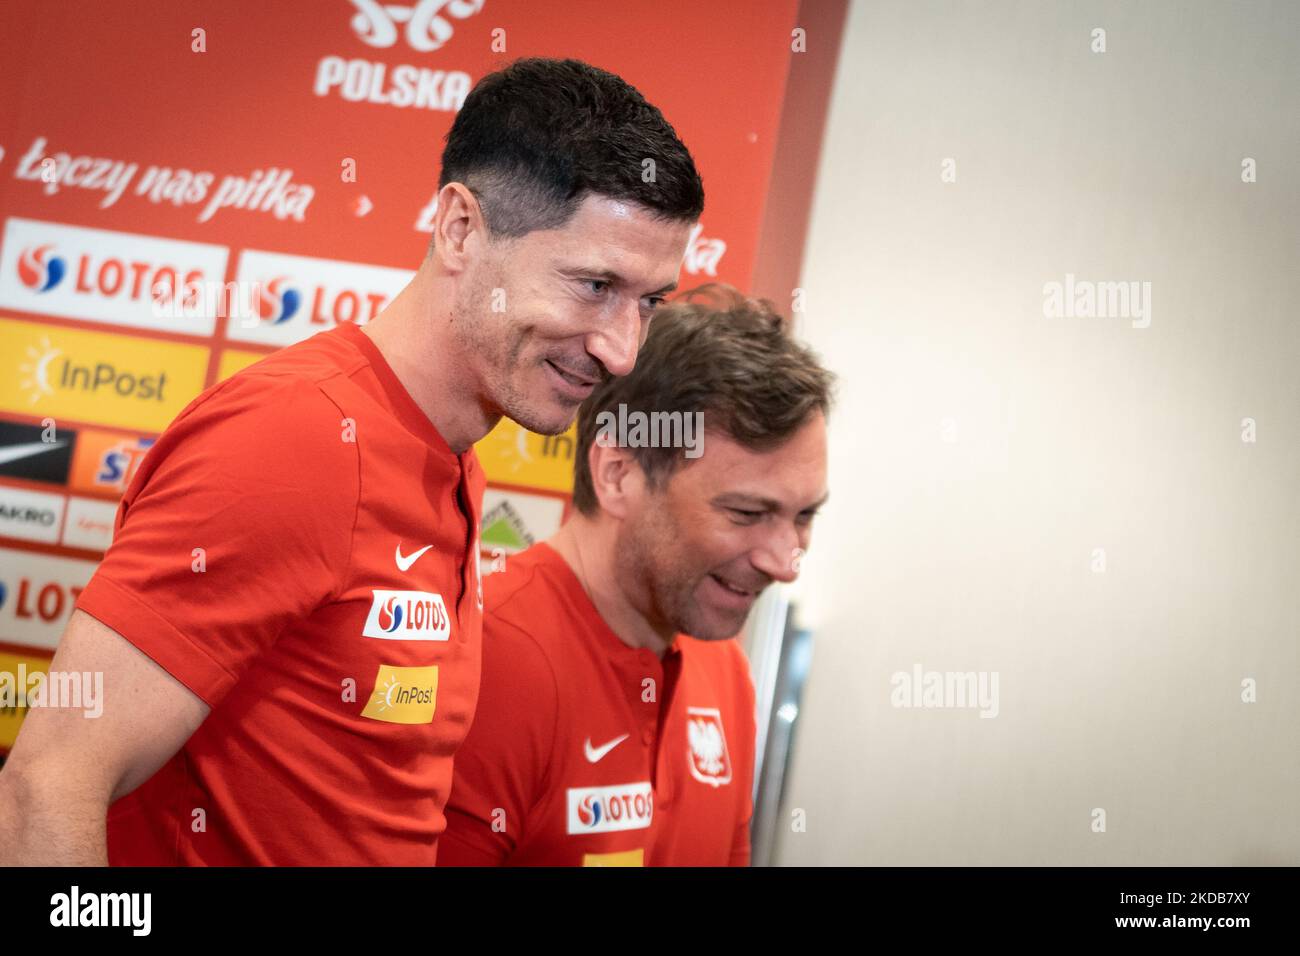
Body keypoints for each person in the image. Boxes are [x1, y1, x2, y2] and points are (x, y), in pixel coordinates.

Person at [0, 57, 703, 866]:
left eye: (649, 303)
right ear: (460, 229)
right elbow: (47, 786)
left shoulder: (453, 458)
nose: (623, 350)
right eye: (593, 285)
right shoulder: (296, 439)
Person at [438, 285, 832, 866]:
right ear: (619, 474)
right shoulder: (483, 663)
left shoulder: (724, 669)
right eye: (746, 513)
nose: (785, 561)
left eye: (804, 516)